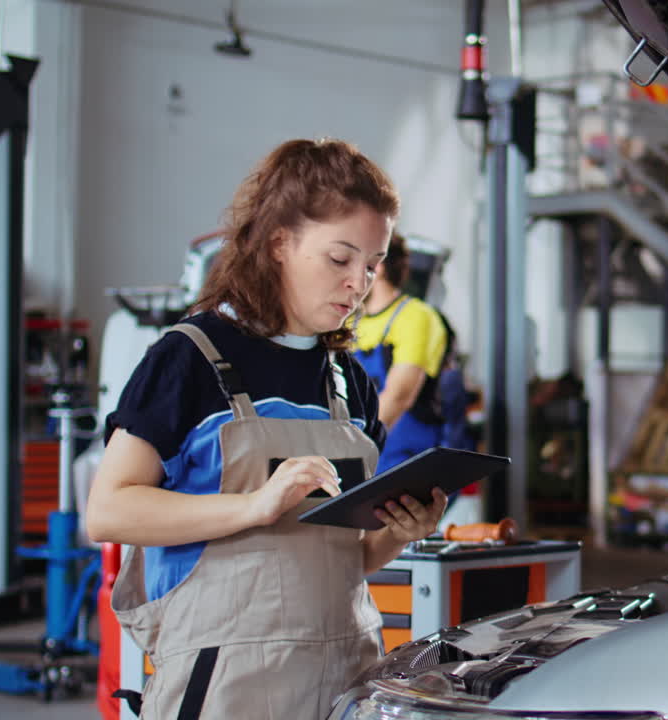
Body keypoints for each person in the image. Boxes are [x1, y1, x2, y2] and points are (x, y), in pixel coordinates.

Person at [86, 138, 448, 720]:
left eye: (372, 266)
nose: (358, 284)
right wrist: (255, 506)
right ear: (279, 243)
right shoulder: (191, 358)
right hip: (227, 688)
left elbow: (336, 558)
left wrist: (400, 533)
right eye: (340, 259)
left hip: (346, 679)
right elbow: (108, 511)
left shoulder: (349, 382)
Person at [352, 233, 451, 473]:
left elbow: (399, 396)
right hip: (361, 452)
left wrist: (352, 451)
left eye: (350, 261)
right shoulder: (350, 321)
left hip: (403, 459)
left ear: (379, 267)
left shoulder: (416, 316)